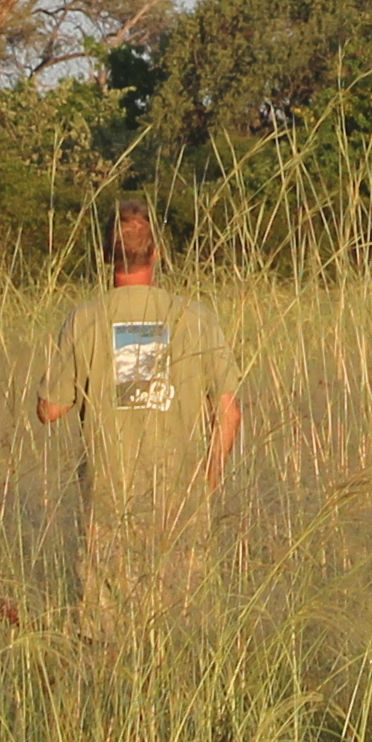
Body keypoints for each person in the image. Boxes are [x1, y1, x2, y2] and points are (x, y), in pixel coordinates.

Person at [34, 203, 237, 615]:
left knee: (106, 618)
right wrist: (208, 482)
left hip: (109, 495)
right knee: (182, 615)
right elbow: (229, 413)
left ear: (105, 254)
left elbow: (50, 410)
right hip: (181, 495)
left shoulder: (85, 319)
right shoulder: (196, 318)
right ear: (157, 253)